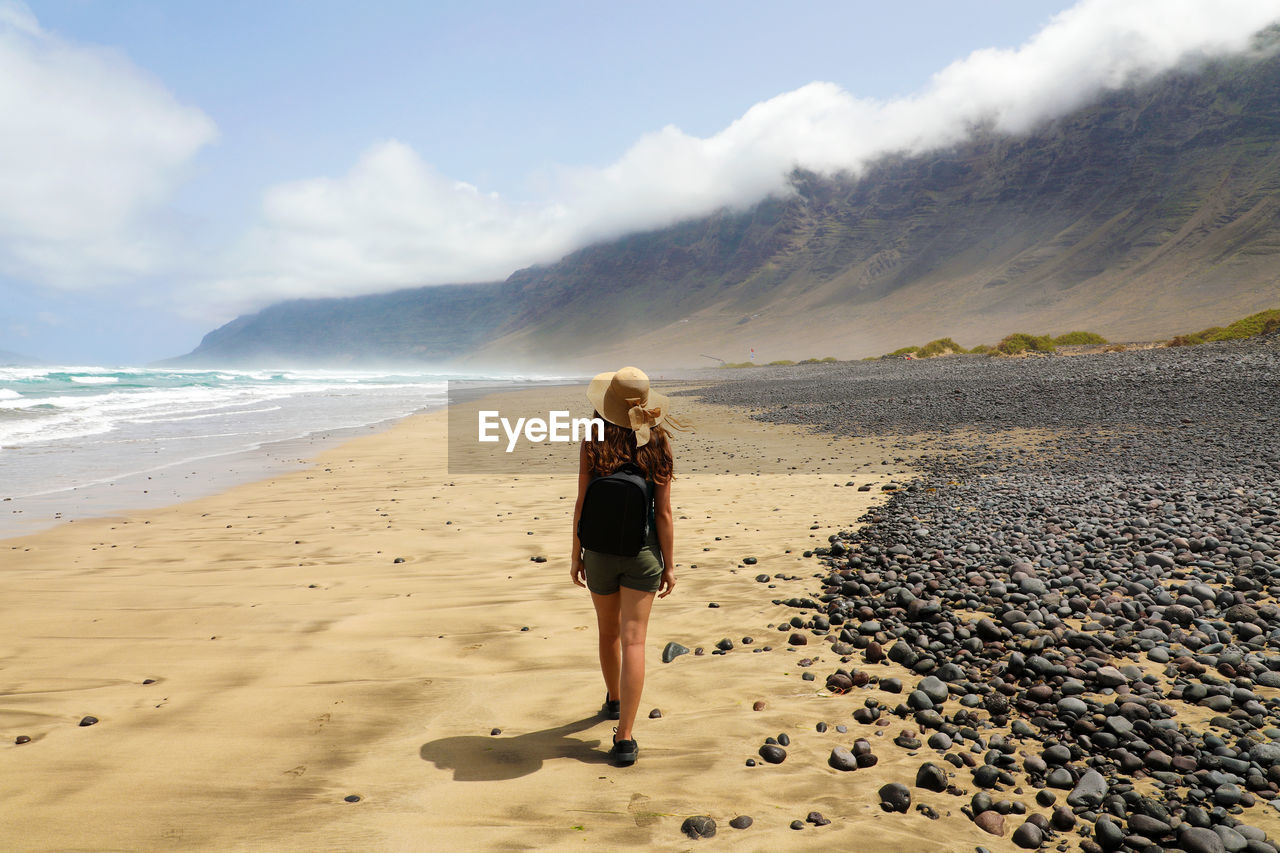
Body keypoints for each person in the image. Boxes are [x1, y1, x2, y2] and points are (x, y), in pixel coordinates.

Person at [570, 366, 681, 766]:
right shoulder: (659, 444)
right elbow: (664, 514)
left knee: (608, 633)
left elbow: (582, 504)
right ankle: (625, 738)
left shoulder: (593, 443)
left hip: (599, 552)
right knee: (635, 640)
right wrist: (669, 565)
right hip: (644, 553)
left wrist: (575, 554)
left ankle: (614, 701)